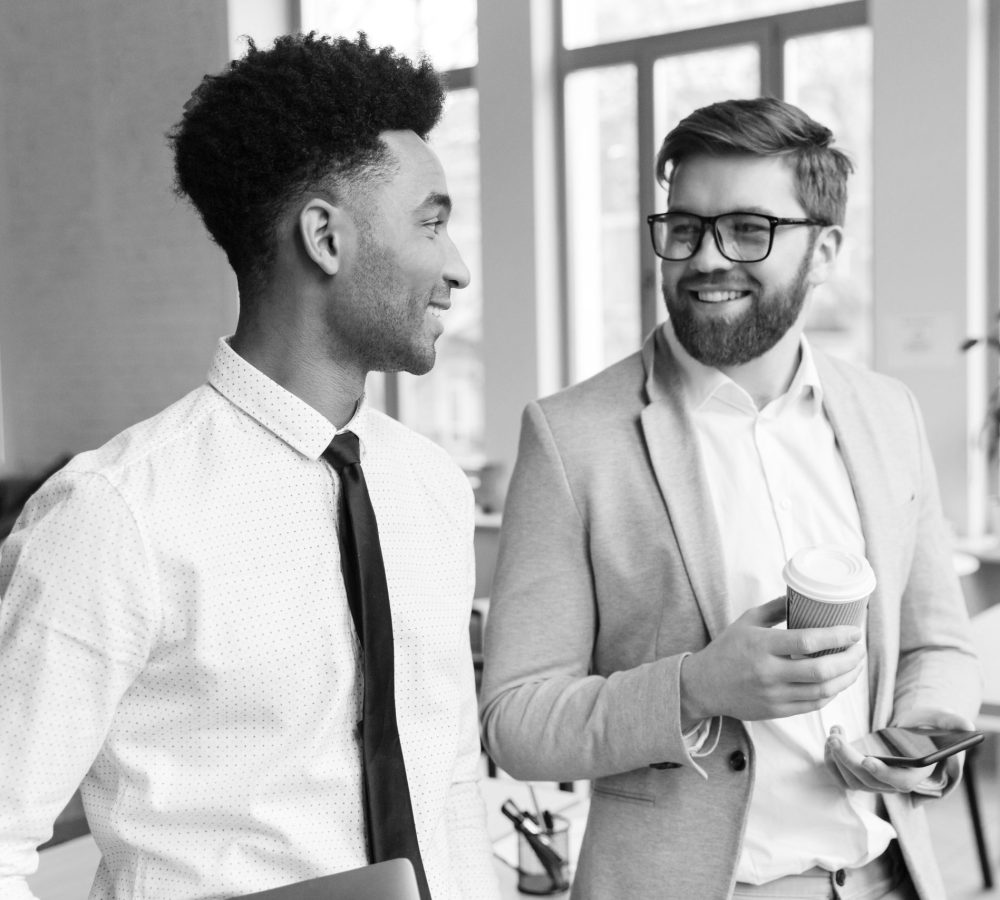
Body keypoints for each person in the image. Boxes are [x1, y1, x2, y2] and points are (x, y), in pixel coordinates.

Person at [0, 33, 500, 900]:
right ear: (325, 237)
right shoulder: (114, 514)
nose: (456, 267)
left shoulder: (430, 489)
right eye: (432, 221)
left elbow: (449, 778)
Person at [479, 97, 981, 900]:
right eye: (684, 228)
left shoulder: (888, 414)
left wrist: (912, 737)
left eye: (750, 229)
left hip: (887, 880)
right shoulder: (572, 437)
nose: (706, 258)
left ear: (825, 251)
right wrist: (697, 688)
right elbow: (516, 720)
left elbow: (939, 646)